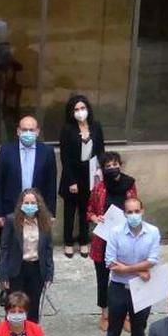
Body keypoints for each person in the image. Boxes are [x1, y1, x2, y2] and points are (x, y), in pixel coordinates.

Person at [102, 198, 161, 336]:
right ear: (125, 213)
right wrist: (138, 271)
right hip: (119, 287)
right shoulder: (116, 232)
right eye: (130, 212)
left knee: (138, 331)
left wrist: (126, 268)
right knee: (113, 331)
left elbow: (152, 260)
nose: (133, 215)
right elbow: (110, 263)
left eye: (136, 211)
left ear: (142, 211)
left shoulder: (152, 232)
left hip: (142, 289)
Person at [87, 152, 138, 330]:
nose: (111, 168)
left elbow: (136, 207)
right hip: (103, 239)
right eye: (107, 166)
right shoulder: (99, 187)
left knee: (127, 277)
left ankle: (127, 315)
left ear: (120, 164)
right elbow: (89, 210)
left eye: (114, 164)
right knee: (103, 277)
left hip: (125, 238)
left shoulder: (130, 184)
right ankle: (105, 313)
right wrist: (95, 218)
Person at [58, 94, 104, 258]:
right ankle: (68, 242)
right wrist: (71, 181)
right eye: (76, 109)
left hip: (90, 173)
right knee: (70, 211)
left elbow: (100, 151)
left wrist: (99, 172)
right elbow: (65, 156)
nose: (80, 112)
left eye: (82, 108)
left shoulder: (96, 126)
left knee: (86, 210)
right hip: (72, 173)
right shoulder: (67, 129)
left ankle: (84, 240)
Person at [0, 189, 54, 323]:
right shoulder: (12, 221)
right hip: (17, 269)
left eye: (33, 202)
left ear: (38, 204)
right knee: (14, 305)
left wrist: (50, 273)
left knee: (33, 307)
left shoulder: (45, 221)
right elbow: (4, 248)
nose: (30, 205)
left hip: (36, 269)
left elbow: (48, 249)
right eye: (26, 202)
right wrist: (2, 274)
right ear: (21, 204)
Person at [0, 115, 57, 229]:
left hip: (38, 211)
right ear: (18, 131)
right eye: (24, 130)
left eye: (31, 130)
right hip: (10, 209)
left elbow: (51, 184)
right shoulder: (6, 151)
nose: (28, 133)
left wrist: (50, 212)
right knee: (10, 245)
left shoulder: (47, 152)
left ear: (37, 132)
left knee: (36, 245)